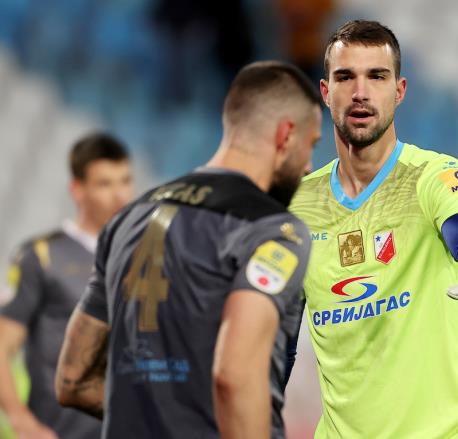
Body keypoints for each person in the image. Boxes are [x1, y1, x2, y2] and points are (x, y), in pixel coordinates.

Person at [54, 61, 321, 439]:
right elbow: (234, 376)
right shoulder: (271, 230)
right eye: (311, 146)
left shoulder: (129, 217)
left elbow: (73, 380)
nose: (309, 166)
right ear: (285, 135)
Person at [289, 20, 458, 438]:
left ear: (399, 90)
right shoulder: (297, 207)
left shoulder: (432, 175)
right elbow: (275, 343)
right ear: (325, 91)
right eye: (345, 77)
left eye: (377, 76)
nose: (360, 92)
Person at [0, 133, 133, 439]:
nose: (120, 195)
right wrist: (21, 421)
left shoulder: (146, 260)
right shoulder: (42, 256)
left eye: (125, 181)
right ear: (77, 190)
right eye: (105, 184)